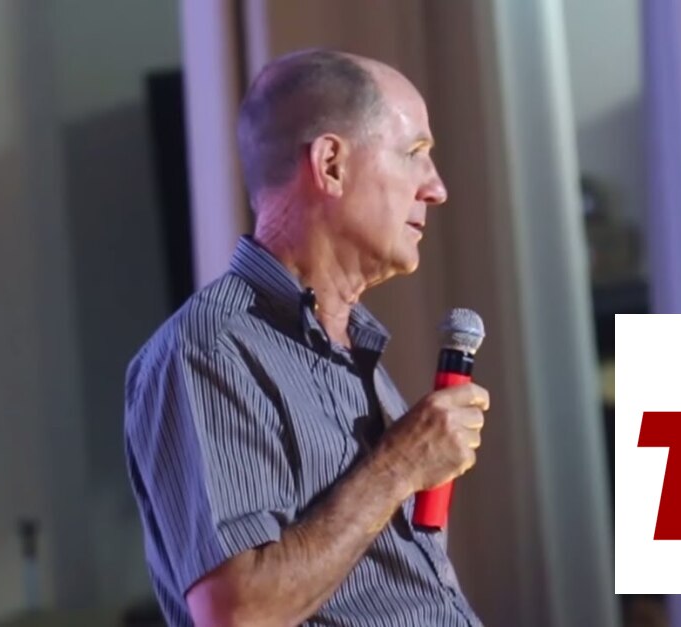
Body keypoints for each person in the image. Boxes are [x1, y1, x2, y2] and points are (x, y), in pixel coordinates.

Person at [124, 48, 489, 626]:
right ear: (331, 165)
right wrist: (398, 466)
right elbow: (239, 613)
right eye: (414, 153)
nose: (436, 188)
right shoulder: (210, 349)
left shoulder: (351, 345)